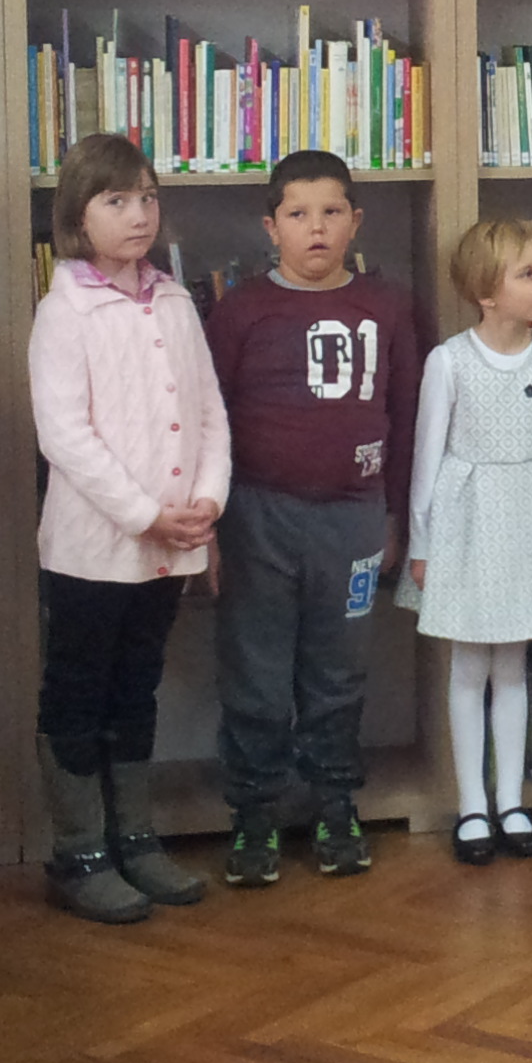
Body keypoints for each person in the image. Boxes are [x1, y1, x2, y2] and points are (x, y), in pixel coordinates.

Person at [201, 148, 423, 884]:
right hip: (257, 519)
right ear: (271, 227)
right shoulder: (240, 311)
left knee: (340, 671)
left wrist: (395, 516)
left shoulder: (388, 306)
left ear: (356, 220)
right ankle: (254, 812)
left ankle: (335, 803)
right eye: (298, 214)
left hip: (354, 518)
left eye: (331, 212)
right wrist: (214, 531)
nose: (317, 228)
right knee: (257, 674)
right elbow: (209, 420)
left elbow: (407, 415)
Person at [26, 134, 225, 925]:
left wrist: (206, 499)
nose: (139, 214)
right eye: (117, 201)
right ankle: (79, 852)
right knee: (79, 690)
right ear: (79, 216)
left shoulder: (173, 300)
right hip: (93, 547)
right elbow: (64, 436)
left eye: (147, 197)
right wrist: (146, 515)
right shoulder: (63, 310)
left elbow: (208, 411)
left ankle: (135, 839)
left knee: (136, 686)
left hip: (172, 544)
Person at [406, 218, 532, 864]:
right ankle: (471, 805)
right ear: (486, 293)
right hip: (467, 522)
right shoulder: (450, 361)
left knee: (513, 666)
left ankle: (510, 801)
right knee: (468, 665)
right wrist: (423, 542)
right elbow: (427, 457)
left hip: (531, 519)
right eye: (527, 273)